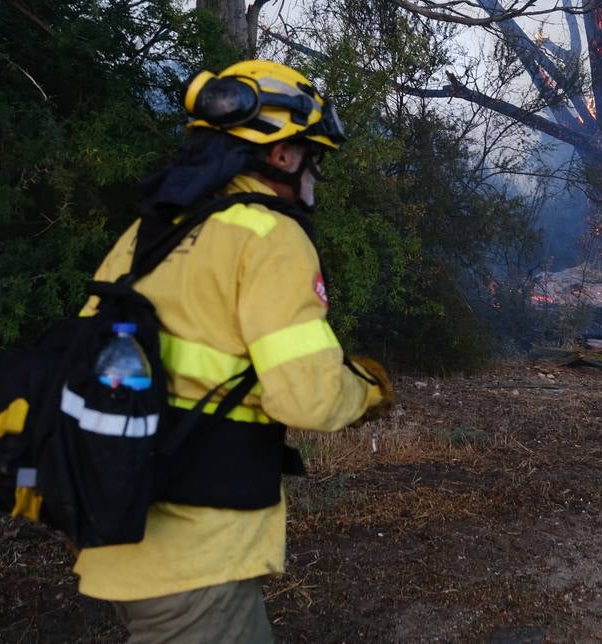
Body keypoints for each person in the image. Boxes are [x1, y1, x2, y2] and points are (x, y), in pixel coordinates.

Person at [73, 60, 393, 642]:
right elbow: (309, 398)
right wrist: (368, 392)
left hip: (117, 536)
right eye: (312, 157)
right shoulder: (271, 236)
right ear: (282, 156)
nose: (314, 175)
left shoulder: (147, 234)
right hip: (197, 553)